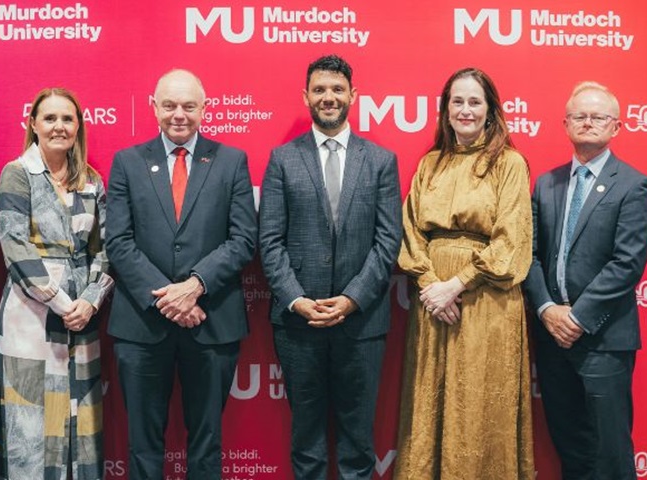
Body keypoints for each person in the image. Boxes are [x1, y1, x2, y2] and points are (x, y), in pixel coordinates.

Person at [105, 69, 257, 480]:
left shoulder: (231, 161)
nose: (179, 115)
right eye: (169, 105)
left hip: (211, 320)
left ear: (205, 109)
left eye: (189, 106)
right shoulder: (128, 162)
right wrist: (167, 299)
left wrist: (194, 287)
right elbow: (118, 241)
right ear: (153, 107)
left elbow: (244, 239)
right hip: (142, 323)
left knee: (207, 442)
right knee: (142, 442)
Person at [259, 54, 402, 479]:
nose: (328, 97)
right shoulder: (283, 159)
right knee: (307, 439)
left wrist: (353, 299)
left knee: (359, 441)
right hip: (298, 323)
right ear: (306, 96)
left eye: (337, 89)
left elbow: (387, 241)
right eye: (319, 90)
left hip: (361, 323)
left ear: (353, 95)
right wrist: (297, 299)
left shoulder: (380, 161)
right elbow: (269, 241)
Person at [394, 67, 534, 480]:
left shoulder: (510, 164)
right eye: (458, 101)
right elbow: (410, 231)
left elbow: (511, 240)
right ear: (445, 109)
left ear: (490, 110)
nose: (466, 110)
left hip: (485, 302)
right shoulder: (430, 164)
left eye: (475, 102)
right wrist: (430, 286)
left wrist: (455, 285)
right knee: (430, 404)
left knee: (477, 406)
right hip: (432, 303)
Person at [523, 82, 647, 480]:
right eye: (580, 116)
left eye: (598, 117)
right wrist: (547, 310)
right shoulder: (546, 184)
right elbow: (528, 256)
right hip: (552, 338)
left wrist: (576, 319)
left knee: (610, 451)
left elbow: (627, 264)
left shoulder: (634, 185)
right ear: (565, 124)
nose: (588, 123)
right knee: (571, 449)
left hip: (603, 339)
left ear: (616, 127)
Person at [0, 88, 114, 479]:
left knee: (80, 417)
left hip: (83, 316)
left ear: (78, 127)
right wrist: (63, 304)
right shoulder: (17, 173)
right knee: (30, 420)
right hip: (31, 315)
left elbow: (106, 248)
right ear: (33, 125)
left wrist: (90, 301)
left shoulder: (91, 181)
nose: (59, 126)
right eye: (50, 118)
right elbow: (15, 246)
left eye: (68, 119)